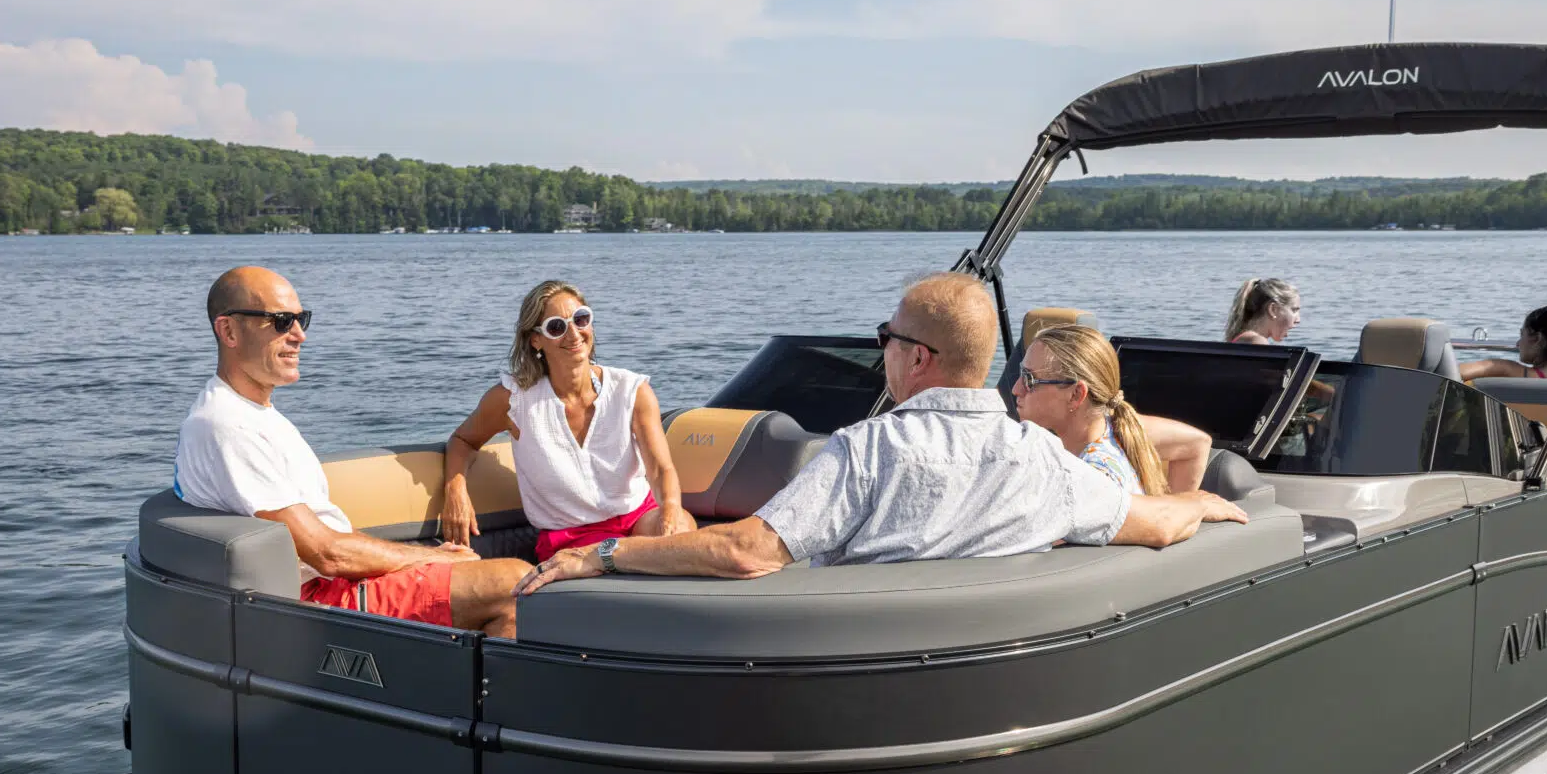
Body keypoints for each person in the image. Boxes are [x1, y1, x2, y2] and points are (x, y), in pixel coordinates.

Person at [514, 273, 1247, 597]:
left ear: (918, 358)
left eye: (888, 338)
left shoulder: (868, 450)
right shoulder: (1044, 462)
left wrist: (606, 555)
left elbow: (746, 554)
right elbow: (1154, 525)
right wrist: (1207, 505)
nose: (884, 350)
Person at [173, 266, 527, 635]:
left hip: (327, 582)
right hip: (312, 600)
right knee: (513, 583)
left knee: (505, 586)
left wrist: (430, 558)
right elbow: (326, 553)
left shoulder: (253, 414)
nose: (299, 335)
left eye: (300, 319)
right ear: (228, 330)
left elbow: (327, 536)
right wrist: (430, 556)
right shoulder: (227, 425)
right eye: (281, 322)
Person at [441, 280, 695, 561]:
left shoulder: (632, 391)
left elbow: (660, 469)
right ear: (535, 339)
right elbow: (463, 440)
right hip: (573, 539)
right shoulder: (513, 401)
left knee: (683, 528)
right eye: (556, 327)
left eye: (581, 319)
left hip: (638, 519)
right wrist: (456, 490)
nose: (574, 333)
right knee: (621, 559)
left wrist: (670, 511)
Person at [1013, 323, 1213, 495]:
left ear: (1076, 395)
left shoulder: (1094, 479)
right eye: (1020, 373)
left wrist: (1178, 510)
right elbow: (1196, 443)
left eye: (1029, 380)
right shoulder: (1116, 429)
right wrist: (1177, 506)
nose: (1016, 389)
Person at [1458, 305, 1547, 381]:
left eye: (1522, 335)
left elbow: (1451, 372)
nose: (1517, 344)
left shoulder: (1507, 370)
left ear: (1537, 338)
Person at [1224, 278, 1302, 344]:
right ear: (1273, 309)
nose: (1298, 320)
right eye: (1294, 310)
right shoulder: (1257, 342)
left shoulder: (1241, 339)